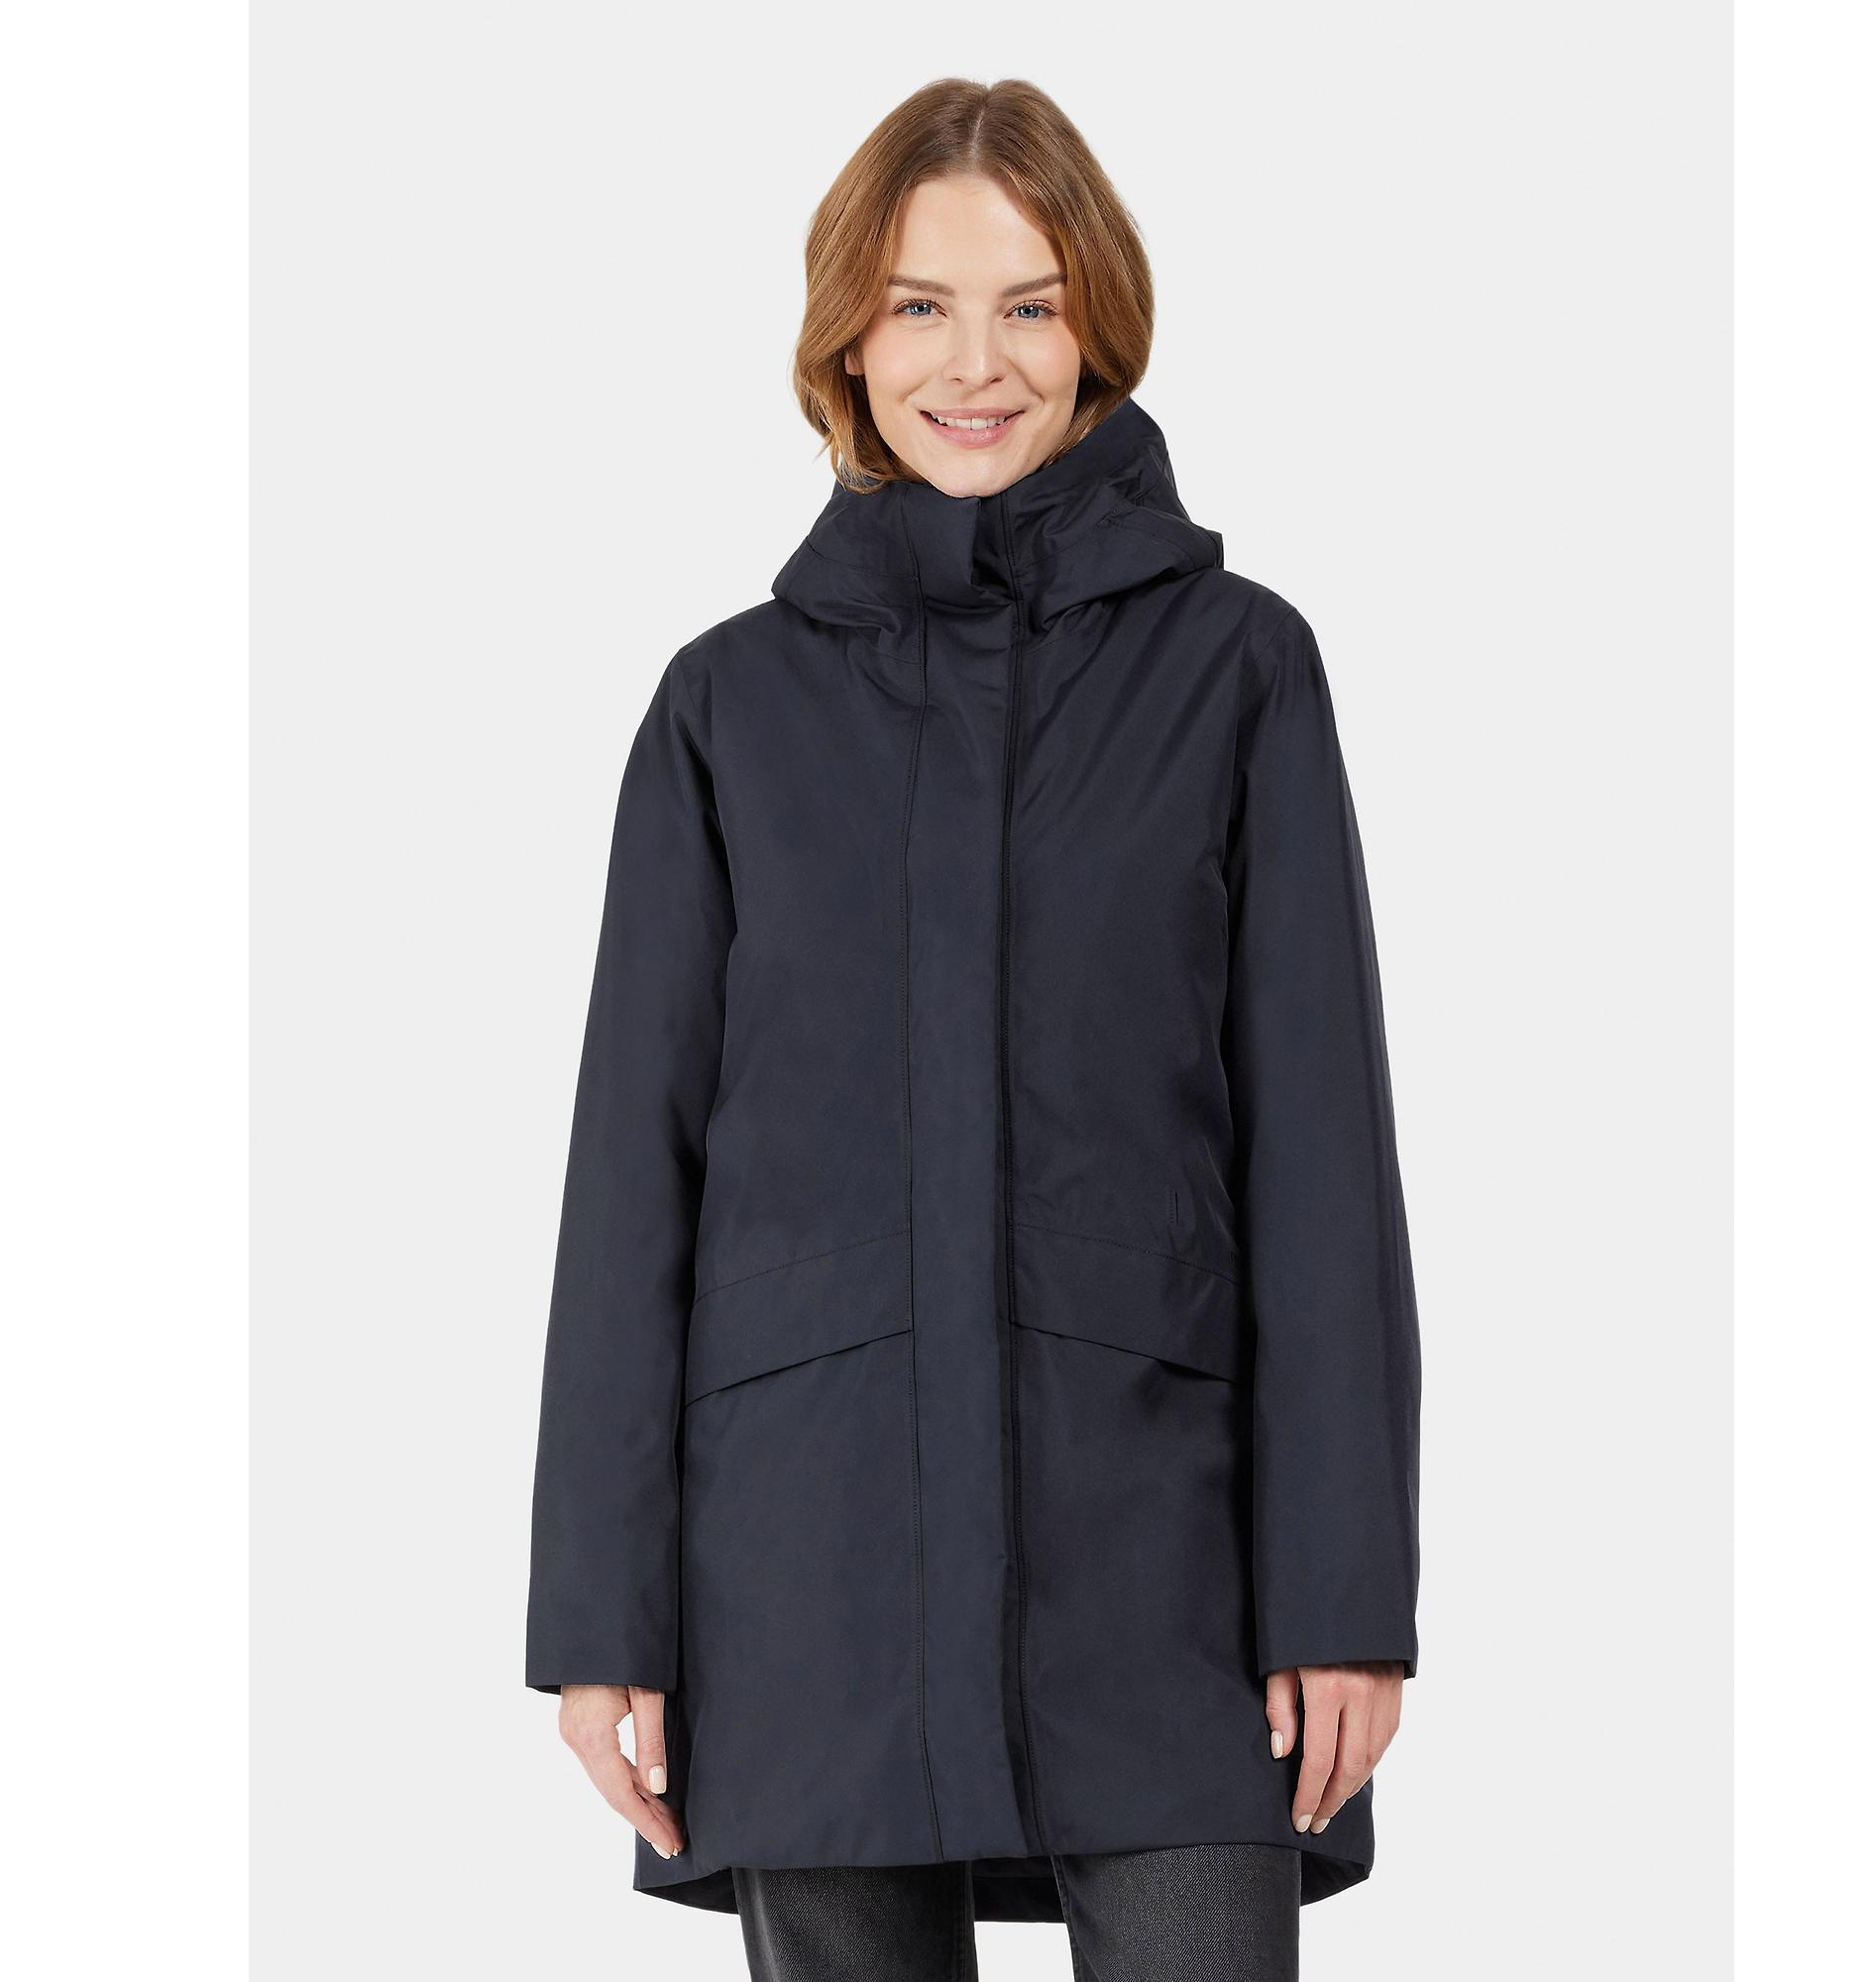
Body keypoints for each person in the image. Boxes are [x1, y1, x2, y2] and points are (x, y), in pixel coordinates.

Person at [526, 75, 1422, 1982]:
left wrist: (1345, 1593)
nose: (975, 363)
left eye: (1028, 304)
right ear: (847, 337)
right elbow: (632, 1183)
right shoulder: (726, 710)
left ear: (1099, 325)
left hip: (1163, 1550)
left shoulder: (1239, 669)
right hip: (805, 1558)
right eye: (920, 305)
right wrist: (602, 1620)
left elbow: (1322, 1153)